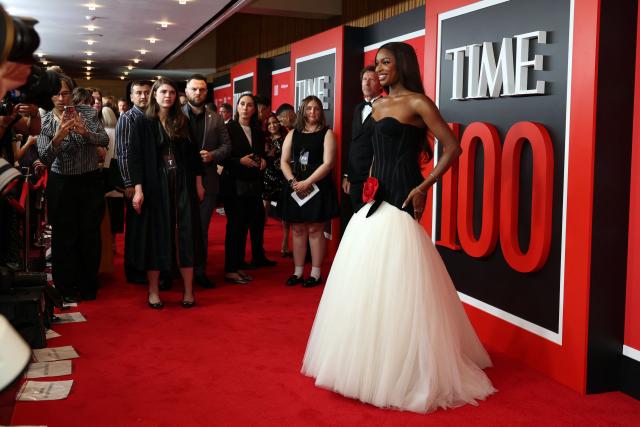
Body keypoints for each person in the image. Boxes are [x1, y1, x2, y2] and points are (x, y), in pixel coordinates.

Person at [301, 42, 496, 413]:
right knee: (367, 284)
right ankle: (367, 365)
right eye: (376, 64)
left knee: (400, 285)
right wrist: (367, 184)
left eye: (386, 63)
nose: (379, 69)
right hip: (373, 202)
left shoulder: (419, 103)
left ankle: (404, 370)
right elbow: (375, 154)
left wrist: (425, 186)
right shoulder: (376, 105)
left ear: (402, 65)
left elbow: (453, 147)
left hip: (403, 200)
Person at [128, 77, 204, 309]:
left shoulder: (183, 121)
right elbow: (135, 158)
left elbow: (193, 157)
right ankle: (153, 292)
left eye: (171, 92)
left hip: (182, 184)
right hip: (154, 186)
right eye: (163, 92)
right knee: (155, 237)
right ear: (154, 94)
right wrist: (138, 190)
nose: (168, 96)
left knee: (186, 236)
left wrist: (199, 183)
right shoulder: (143, 122)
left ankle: (189, 291)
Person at [37, 73, 109, 302]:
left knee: (89, 234)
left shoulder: (87, 112)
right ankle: (65, 287)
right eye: (56, 94)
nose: (61, 98)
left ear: (71, 93)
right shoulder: (46, 120)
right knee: (63, 236)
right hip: (61, 183)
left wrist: (84, 133)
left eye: (65, 93)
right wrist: (58, 138)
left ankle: (88, 285)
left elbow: (104, 140)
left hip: (89, 180)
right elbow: (45, 157)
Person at [279, 95, 339, 287]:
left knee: (315, 229)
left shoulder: (327, 133)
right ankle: (297, 272)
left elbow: (328, 163)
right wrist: (293, 181)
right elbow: (284, 161)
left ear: (321, 111)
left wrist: (308, 182)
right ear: (303, 111)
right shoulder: (292, 134)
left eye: (317, 108)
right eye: (309, 108)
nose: (313, 112)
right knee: (297, 229)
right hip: (296, 186)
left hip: (318, 186)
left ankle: (315, 272)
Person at [183, 74, 231, 289]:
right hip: (181, 182)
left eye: (202, 89)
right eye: (194, 89)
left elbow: (227, 147)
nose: (198, 93)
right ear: (186, 91)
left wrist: (212, 155)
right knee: (180, 228)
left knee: (201, 230)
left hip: (209, 182)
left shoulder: (216, 118)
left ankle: (199, 272)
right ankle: (177, 269)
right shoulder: (176, 117)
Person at [221, 94, 270, 284]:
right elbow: (222, 156)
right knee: (235, 227)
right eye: (242, 104)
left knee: (245, 226)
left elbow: (261, 154)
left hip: (253, 185)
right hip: (233, 185)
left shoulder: (257, 130)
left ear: (254, 109)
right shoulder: (228, 128)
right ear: (237, 107)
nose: (246, 108)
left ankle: (238, 264)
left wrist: (264, 160)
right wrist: (238, 161)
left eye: (250, 105)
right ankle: (230, 269)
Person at [115, 80, 152, 285]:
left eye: (147, 92)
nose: (143, 96)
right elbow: (123, 153)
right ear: (131, 96)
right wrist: (129, 183)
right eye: (138, 93)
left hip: (151, 181)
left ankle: (147, 266)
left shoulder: (154, 116)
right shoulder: (127, 118)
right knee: (136, 229)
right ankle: (134, 270)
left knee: (149, 228)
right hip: (134, 183)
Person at [343, 65, 383, 212]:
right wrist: (347, 175)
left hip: (376, 177)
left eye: (371, 80)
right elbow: (354, 143)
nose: (366, 83)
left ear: (380, 84)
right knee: (357, 219)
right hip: (355, 178)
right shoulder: (358, 108)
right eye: (364, 79)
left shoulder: (387, 107)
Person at [262, 112, 290, 257]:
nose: (272, 126)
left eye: (274, 123)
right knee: (263, 208)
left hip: (283, 177)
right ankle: (260, 243)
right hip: (268, 176)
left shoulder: (287, 138)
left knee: (285, 213)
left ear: (279, 123)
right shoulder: (264, 139)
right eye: (269, 124)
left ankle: (285, 243)